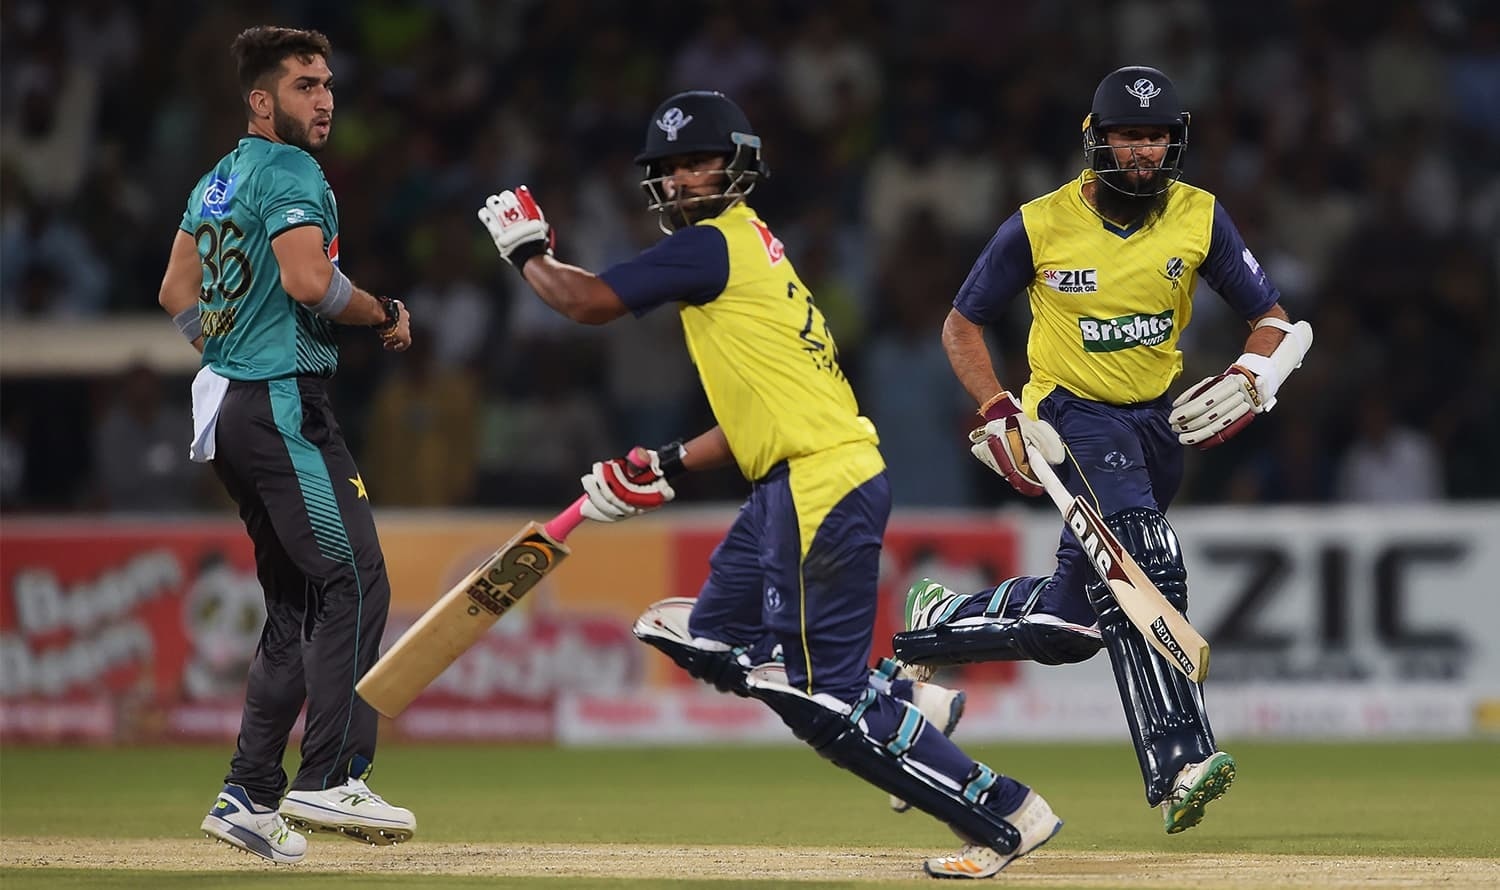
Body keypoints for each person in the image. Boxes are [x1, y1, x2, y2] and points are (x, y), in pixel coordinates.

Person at [477, 90, 1061, 880]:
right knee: (701, 636)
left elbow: (584, 303)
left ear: (738, 167)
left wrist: (527, 252)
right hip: (795, 482)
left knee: (824, 705)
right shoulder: (752, 249)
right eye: (671, 168)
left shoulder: (711, 245)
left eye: (699, 162)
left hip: (818, 485)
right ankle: (905, 700)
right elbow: (761, 411)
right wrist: (668, 463)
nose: (683, 179)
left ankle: (1004, 812)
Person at [890, 66, 1314, 836]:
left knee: (1069, 625)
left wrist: (1257, 372)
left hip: (1158, 427)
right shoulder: (1039, 225)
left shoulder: (1200, 217)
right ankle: (1180, 762)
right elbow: (962, 324)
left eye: (1156, 138)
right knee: (1144, 562)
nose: (1144, 153)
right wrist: (997, 409)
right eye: (1129, 136)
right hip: (1072, 419)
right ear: (1097, 140)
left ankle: (936, 622)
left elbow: (1275, 319)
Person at [156, 26, 417, 864]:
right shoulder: (294, 171)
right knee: (352, 578)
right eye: (306, 85)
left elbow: (175, 293)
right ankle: (330, 774)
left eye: (329, 83)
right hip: (280, 403)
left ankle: (248, 794)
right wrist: (383, 313)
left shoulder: (217, 179)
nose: (326, 98)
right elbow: (310, 282)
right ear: (262, 101)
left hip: (232, 407)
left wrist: (226, 350)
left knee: (299, 606)